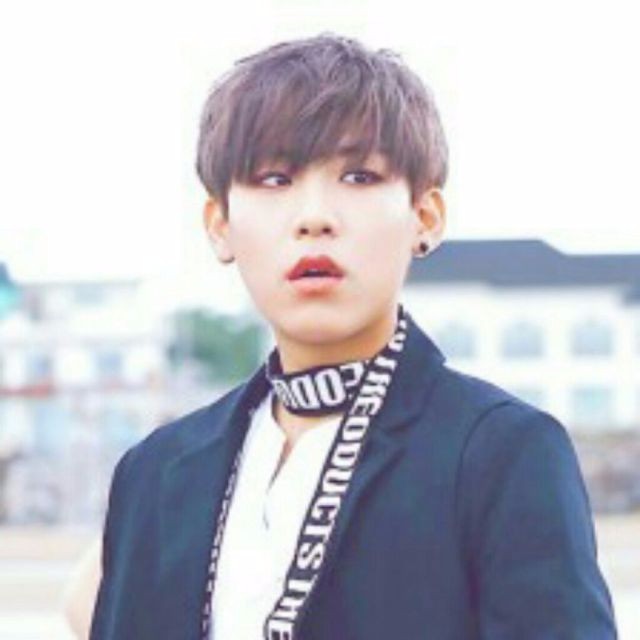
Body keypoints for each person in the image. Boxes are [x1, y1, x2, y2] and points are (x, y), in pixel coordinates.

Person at [88, 32, 617, 639]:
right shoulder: (155, 472)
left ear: (425, 217)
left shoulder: (501, 453)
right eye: (274, 179)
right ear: (220, 225)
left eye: (360, 176)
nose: (315, 216)